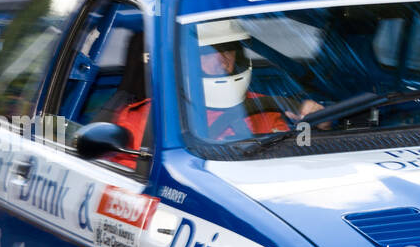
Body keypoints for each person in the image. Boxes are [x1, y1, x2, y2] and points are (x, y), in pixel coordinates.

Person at [106, 19, 321, 152]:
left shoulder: (268, 107)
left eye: (227, 49)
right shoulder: (144, 118)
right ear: (183, 60)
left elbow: (294, 157)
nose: (222, 60)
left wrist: (314, 123)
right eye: (208, 52)